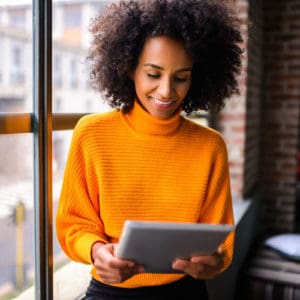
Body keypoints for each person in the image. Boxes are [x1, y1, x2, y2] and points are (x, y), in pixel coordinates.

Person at [56, 0, 243, 299]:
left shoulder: (210, 146)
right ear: (129, 68)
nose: (167, 91)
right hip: (111, 292)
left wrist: (215, 262)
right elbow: (75, 222)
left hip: (186, 292)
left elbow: (221, 241)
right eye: (153, 74)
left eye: (181, 77)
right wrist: (95, 251)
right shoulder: (91, 134)